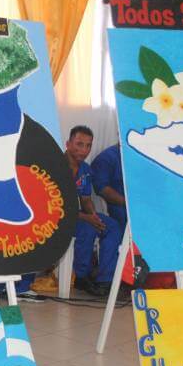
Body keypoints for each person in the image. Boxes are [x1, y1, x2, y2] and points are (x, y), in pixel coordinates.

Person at [66, 126, 122, 296]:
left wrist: (93, 215)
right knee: (87, 228)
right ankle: (81, 278)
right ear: (68, 144)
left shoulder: (85, 170)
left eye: (88, 145)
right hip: (56, 217)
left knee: (112, 226)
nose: (84, 150)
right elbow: (55, 207)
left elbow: (85, 199)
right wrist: (87, 219)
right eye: (79, 144)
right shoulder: (55, 166)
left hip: (78, 215)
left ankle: (105, 280)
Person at [91, 143, 127, 231]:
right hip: (121, 210)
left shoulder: (143, 155)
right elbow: (102, 189)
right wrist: (128, 204)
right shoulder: (105, 158)